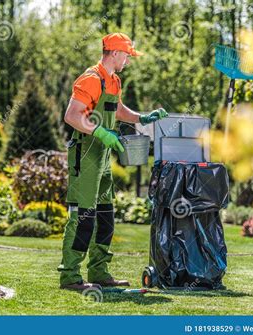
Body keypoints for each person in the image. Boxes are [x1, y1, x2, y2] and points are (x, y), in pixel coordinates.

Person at [57, 33, 169, 291]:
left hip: (104, 156)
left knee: (106, 216)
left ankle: (98, 271)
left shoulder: (114, 80)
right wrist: (100, 132)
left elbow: (117, 111)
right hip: (85, 154)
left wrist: (142, 118)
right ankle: (70, 275)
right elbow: (72, 116)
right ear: (116, 53)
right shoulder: (91, 78)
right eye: (128, 54)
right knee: (83, 217)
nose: (129, 59)